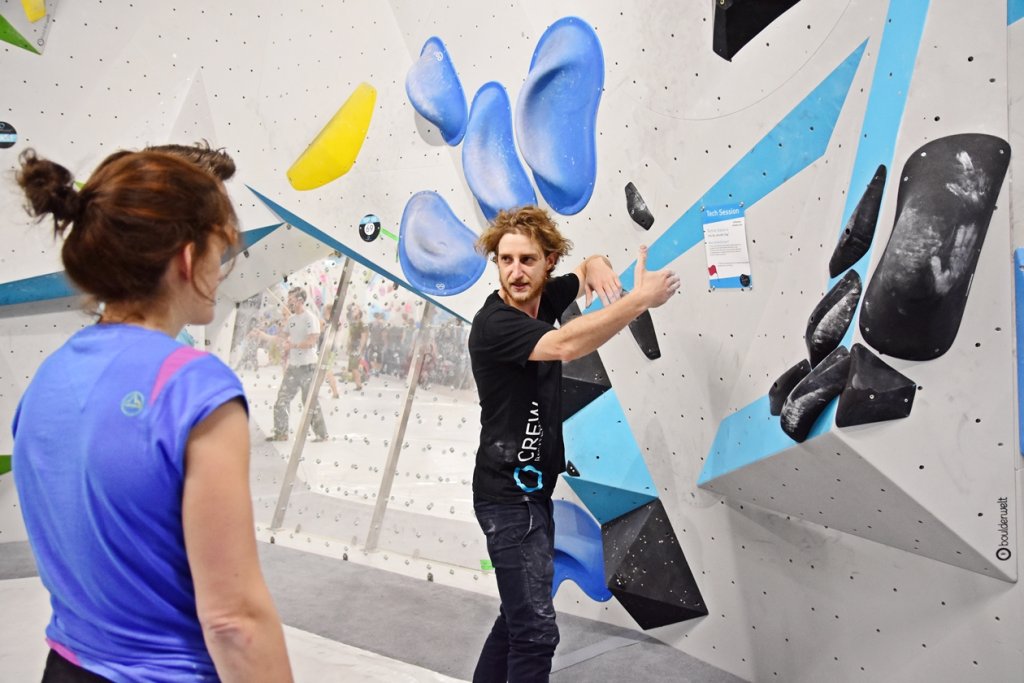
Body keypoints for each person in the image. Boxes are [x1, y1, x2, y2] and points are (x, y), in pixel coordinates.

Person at [11, 146, 293, 681]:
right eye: (222, 249)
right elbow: (234, 619)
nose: (223, 268)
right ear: (189, 257)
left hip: (66, 667)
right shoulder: (193, 387)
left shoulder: (48, 379)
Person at [468, 205, 679, 682]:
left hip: (533, 493)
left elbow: (583, 273)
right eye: (505, 260)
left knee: (517, 618)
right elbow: (567, 345)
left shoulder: (544, 297)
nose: (515, 272)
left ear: (548, 262)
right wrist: (638, 301)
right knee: (536, 632)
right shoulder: (495, 324)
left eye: (526, 260)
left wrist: (597, 263)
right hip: (506, 498)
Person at [264, 287, 330, 442]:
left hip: (308, 367)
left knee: (309, 401)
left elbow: (311, 341)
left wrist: (292, 345)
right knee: (282, 399)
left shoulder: (310, 318)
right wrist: (264, 334)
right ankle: (281, 433)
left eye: (291, 298)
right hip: (293, 368)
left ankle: (322, 434)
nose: (289, 301)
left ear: (300, 300)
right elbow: (282, 337)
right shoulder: (292, 320)